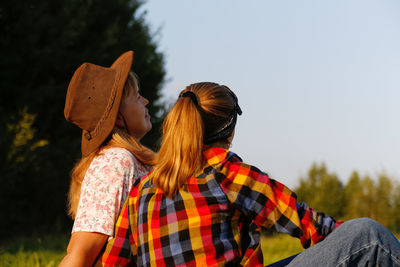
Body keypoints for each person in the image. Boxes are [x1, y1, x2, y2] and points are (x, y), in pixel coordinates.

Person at [100, 82, 400, 266]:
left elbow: (114, 262)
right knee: (368, 234)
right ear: (228, 131)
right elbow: (308, 225)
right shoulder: (227, 172)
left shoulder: (141, 190)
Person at [59, 51, 156, 266]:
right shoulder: (115, 162)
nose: (146, 101)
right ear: (118, 118)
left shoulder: (128, 159)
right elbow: (80, 252)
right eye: (138, 96)